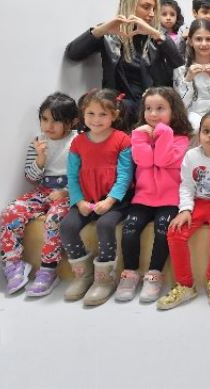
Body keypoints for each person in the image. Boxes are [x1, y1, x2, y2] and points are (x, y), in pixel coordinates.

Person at [157, 104, 210, 310]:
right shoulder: (191, 156)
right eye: (206, 131)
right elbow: (186, 185)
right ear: (199, 134)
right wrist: (185, 209)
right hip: (198, 203)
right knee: (175, 232)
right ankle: (185, 285)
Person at [65, 0, 184, 127]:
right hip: (119, 107)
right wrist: (101, 30)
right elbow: (73, 53)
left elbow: (178, 63)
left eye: (154, 9)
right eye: (146, 7)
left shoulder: (156, 35)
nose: (152, 14)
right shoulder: (109, 34)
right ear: (130, 6)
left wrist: (155, 33)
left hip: (152, 105)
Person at [115, 87, 191, 303]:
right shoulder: (140, 135)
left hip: (170, 199)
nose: (153, 114)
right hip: (143, 198)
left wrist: (163, 132)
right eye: (148, 108)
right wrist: (139, 137)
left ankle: (154, 274)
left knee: (162, 230)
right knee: (130, 228)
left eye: (160, 108)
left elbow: (162, 160)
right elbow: (145, 161)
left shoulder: (181, 139)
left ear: (174, 111)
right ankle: (130, 273)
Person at [0, 93, 79, 297]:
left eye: (56, 120)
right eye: (44, 119)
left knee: (54, 219)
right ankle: (13, 264)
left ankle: (48, 269)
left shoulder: (78, 141)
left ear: (72, 122)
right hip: (43, 190)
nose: (48, 126)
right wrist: (40, 158)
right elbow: (31, 177)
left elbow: (85, 175)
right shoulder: (38, 142)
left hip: (68, 192)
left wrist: (66, 192)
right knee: (11, 211)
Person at [59, 89, 134, 307]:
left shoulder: (122, 140)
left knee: (105, 225)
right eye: (90, 113)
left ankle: (104, 278)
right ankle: (83, 275)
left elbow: (125, 176)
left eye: (103, 114)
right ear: (83, 114)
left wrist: (110, 201)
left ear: (114, 115)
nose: (96, 119)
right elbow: (72, 175)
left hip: (116, 202)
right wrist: (79, 201)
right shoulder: (78, 142)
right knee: (67, 227)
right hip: (85, 199)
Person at [173, 19, 210, 130]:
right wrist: (188, 79)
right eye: (198, 39)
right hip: (192, 117)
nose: (204, 44)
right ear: (190, 41)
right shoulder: (181, 70)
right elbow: (181, 106)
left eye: (208, 39)